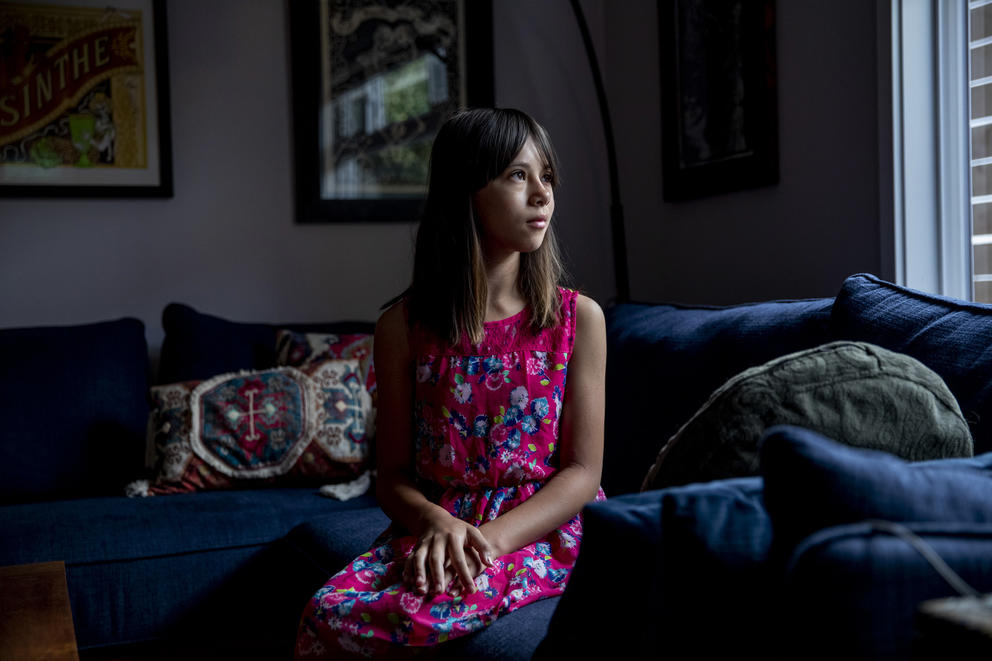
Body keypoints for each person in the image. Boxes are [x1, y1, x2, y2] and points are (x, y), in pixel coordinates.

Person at [294, 107, 607, 659]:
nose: (542, 194)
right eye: (517, 175)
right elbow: (391, 476)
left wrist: (487, 543)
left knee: (414, 615)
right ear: (466, 190)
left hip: (538, 530)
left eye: (547, 175)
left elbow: (582, 472)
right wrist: (438, 522)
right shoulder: (402, 328)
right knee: (327, 613)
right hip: (438, 524)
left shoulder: (577, 319)